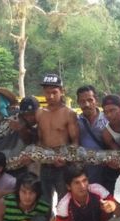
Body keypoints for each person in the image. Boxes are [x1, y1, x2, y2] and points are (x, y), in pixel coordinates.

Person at [33, 73, 79, 206]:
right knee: (43, 204)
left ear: (62, 92)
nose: (50, 96)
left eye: (54, 92)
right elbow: (39, 141)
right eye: (47, 93)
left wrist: (66, 158)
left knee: (64, 204)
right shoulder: (40, 113)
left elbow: (75, 143)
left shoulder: (69, 114)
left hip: (63, 167)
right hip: (45, 166)